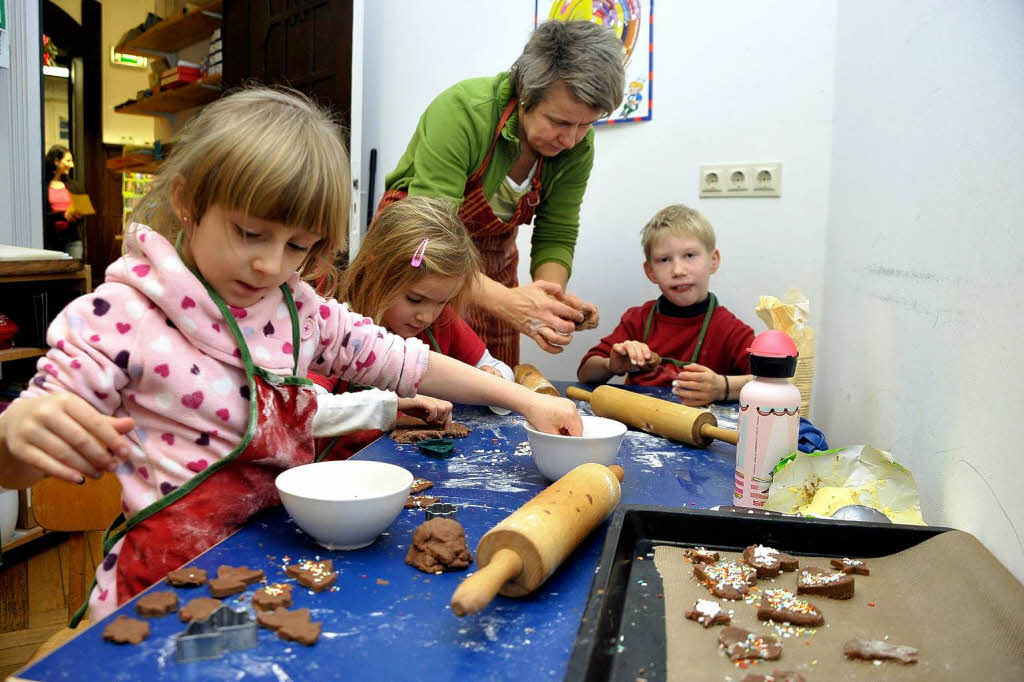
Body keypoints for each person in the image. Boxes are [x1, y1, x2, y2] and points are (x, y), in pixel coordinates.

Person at [0, 87, 581, 625]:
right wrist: (19, 433)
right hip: (162, 581)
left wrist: (523, 399)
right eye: (250, 233)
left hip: (279, 557)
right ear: (186, 202)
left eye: (298, 246)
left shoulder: (298, 308)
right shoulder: (123, 315)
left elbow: (407, 362)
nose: (271, 266)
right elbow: (19, 461)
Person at [379, 20, 626, 366]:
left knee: (496, 379)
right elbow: (430, 235)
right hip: (420, 250)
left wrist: (548, 300)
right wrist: (511, 303)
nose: (571, 140)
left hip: (493, 259)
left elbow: (557, 231)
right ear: (526, 94)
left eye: (586, 124)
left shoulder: (577, 149)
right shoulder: (463, 111)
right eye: (560, 122)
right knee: (414, 372)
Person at [577, 204, 755, 407]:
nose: (678, 270)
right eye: (664, 260)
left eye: (689, 255)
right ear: (650, 271)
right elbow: (585, 374)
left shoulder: (730, 329)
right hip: (640, 425)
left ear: (713, 260)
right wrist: (611, 365)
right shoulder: (638, 319)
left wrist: (722, 387)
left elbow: (773, 382)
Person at [44, 145, 83, 253]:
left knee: (74, 269)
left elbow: (83, 210)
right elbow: (41, 214)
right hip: (50, 240)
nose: (72, 165)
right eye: (68, 161)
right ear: (56, 161)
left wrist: (79, 213)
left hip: (72, 239)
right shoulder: (43, 186)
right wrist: (62, 215)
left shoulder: (74, 185)